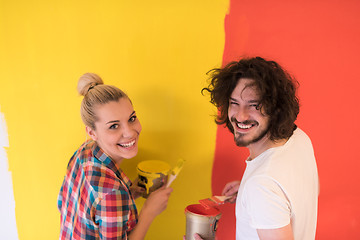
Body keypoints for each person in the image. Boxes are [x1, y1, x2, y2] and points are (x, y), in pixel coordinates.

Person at [202, 57, 319, 240]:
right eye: (234, 103)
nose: (240, 116)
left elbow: (267, 186)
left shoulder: (262, 186)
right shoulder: (299, 138)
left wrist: (258, 192)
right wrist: (250, 193)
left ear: (276, 109)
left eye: (254, 106)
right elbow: (288, 191)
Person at [57, 73, 173, 239]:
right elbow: (106, 196)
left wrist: (128, 194)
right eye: (113, 126)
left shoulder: (84, 151)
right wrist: (149, 211)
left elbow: (65, 203)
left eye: (132, 118)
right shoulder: (112, 193)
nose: (129, 132)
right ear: (92, 132)